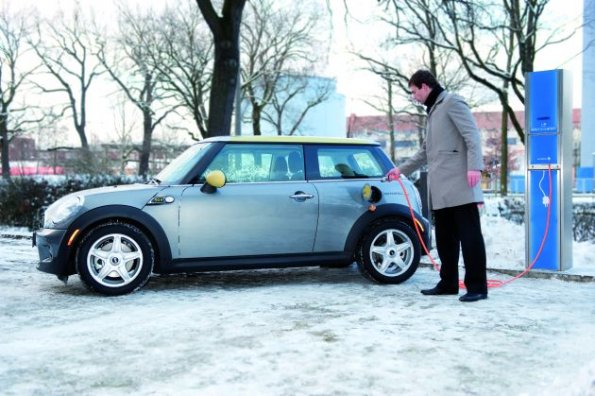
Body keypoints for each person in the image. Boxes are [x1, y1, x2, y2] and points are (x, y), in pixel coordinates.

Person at [386, 69, 488, 302]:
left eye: (414, 92)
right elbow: (425, 152)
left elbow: (472, 135)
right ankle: (448, 283)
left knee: (470, 238)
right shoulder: (434, 111)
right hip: (441, 190)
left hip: (461, 185)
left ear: (424, 86)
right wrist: (400, 170)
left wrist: (475, 167)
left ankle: (478, 287)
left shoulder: (452, 102)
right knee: (445, 240)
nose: (414, 97)